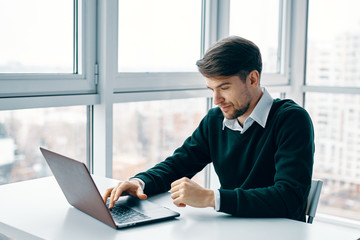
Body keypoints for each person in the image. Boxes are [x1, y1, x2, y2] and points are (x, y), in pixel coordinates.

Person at [103, 36, 315, 222]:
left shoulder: (291, 120)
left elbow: (289, 198)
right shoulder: (215, 120)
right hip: (233, 227)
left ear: (252, 79)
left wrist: (209, 198)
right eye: (212, 89)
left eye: (224, 87)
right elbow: (178, 164)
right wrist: (139, 182)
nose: (216, 100)